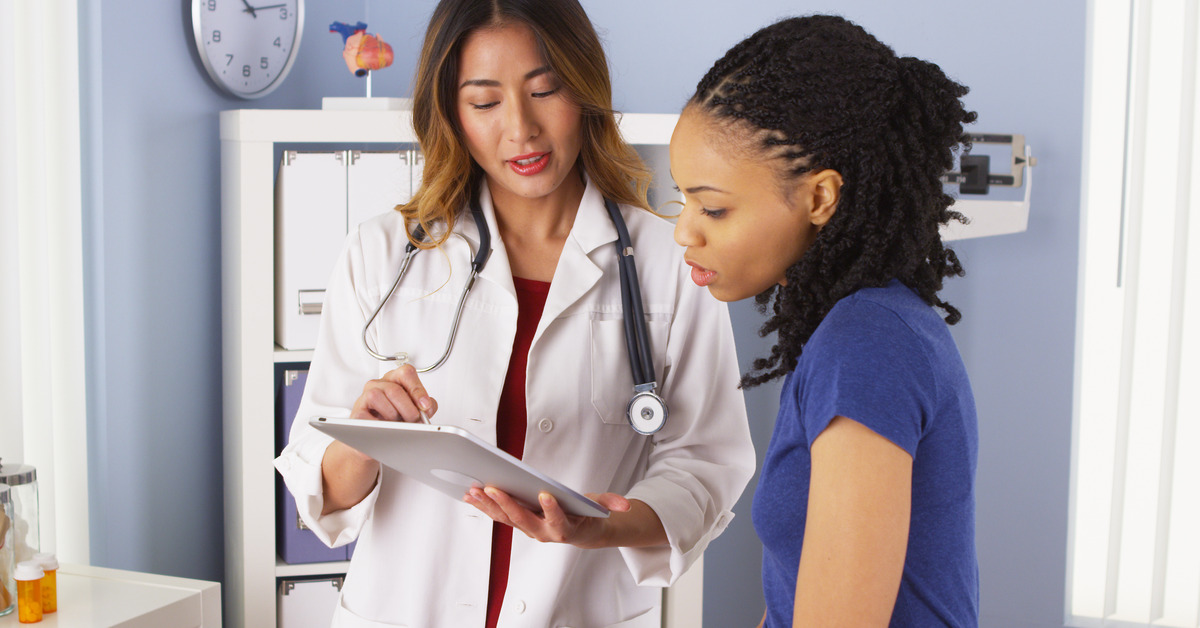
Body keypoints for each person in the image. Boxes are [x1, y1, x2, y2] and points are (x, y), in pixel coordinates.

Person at [274, 1, 756, 626]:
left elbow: (706, 458)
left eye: (545, 90)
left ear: (584, 90)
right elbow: (324, 492)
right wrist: (363, 435)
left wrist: (605, 528)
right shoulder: (384, 253)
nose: (521, 129)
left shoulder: (669, 261)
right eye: (484, 102)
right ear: (451, 113)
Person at [669, 15, 979, 627]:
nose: (685, 230)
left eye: (713, 208)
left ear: (819, 198)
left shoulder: (866, 344)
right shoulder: (856, 328)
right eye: (682, 201)